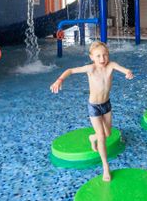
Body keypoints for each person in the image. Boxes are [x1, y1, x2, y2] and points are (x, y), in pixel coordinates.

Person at [50, 41, 133, 181]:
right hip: (94, 107)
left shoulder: (111, 65)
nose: (102, 58)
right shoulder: (90, 69)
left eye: (105, 55)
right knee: (102, 137)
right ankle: (106, 166)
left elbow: (124, 70)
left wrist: (128, 72)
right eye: (98, 56)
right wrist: (59, 80)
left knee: (108, 133)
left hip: (106, 105)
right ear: (92, 57)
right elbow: (70, 70)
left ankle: (92, 138)